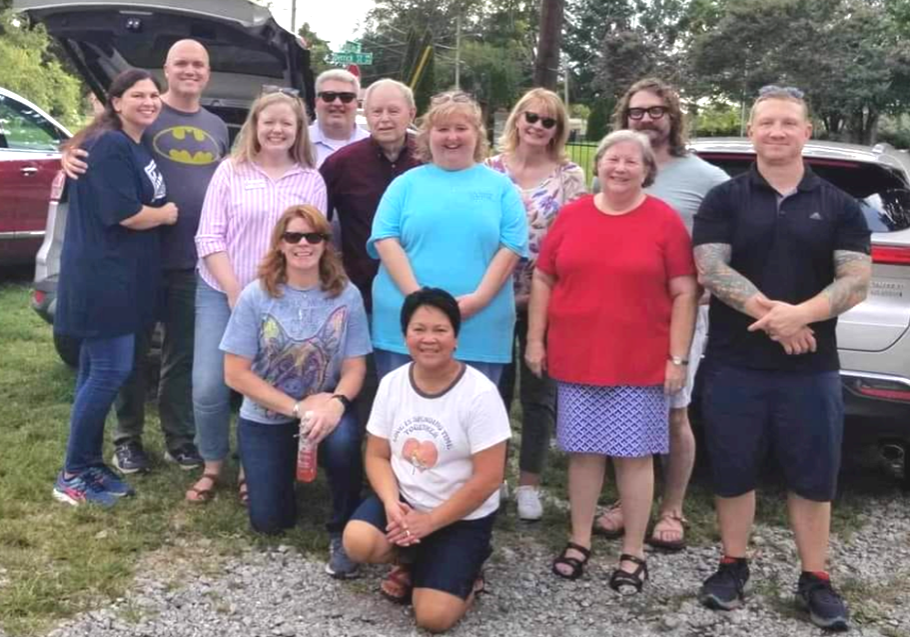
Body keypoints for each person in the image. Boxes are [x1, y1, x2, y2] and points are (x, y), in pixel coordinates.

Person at [692, 86, 871, 630]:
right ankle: (732, 564)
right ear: (751, 131)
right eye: (766, 122)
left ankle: (815, 578)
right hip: (733, 362)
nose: (776, 131)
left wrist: (803, 315)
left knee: (814, 475)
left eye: (787, 122)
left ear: (806, 131)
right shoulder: (724, 199)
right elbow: (710, 268)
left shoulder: (838, 204)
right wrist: (778, 319)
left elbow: (856, 280)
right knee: (732, 469)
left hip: (811, 367)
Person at [527, 130, 698, 591]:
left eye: (632, 161)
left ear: (647, 170)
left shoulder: (663, 221)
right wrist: (536, 340)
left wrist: (677, 358)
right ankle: (579, 539)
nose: (620, 168)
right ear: (598, 165)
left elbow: (685, 291)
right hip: (577, 355)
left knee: (633, 458)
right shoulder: (573, 215)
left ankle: (633, 551)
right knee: (583, 454)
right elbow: (543, 277)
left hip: (639, 360)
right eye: (612, 159)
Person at [61, 40, 229, 474]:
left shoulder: (217, 124)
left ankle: (179, 437)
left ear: (208, 72)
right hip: (140, 260)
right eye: (181, 64)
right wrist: (68, 154)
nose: (190, 71)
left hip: (193, 260)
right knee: (129, 356)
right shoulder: (145, 115)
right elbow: (95, 141)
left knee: (182, 354)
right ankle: (128, 439)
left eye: (199, 64)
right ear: (166, 71)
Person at [592, 78, 728, 550]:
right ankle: (624, 503)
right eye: (635, 112)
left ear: (673, 116)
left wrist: (712, 281)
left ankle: (671, 508)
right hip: (619, 317)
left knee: (674, 413)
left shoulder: (707, 178)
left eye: (655, 111)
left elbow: (735, 239)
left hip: (678, 316)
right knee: (619, 408)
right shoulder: (615, 169)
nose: (645, 119)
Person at [343, 288, 511, 633]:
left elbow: (489, 478)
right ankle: (414, 557)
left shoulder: (479, 394)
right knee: (357, 541)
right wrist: (392, 503)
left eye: (440, 330)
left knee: (432, 618)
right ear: (405, 336)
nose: (429, 339)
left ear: (455, 339)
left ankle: (465, 569)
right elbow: (376, 454)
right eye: (419, 330)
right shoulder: (392, 384)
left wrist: (431, 522)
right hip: (406, 503)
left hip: (460, 515)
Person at [188, 91, 327, 505]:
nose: (277, 129)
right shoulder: (230, 171)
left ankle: (255, 466)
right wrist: (234, 290)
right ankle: (212, 463)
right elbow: (208, 235)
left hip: (278, 299)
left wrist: (276, 295)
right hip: (220, 291)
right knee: (209, 384)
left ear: (299, 130)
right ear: (255, 126)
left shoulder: (310, 179)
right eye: (269, 121)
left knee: (264, 389)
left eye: (287, 122)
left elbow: (309, 243)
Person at [220, 204, 371, 578]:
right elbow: (235, 374)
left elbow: (355, 366)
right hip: (268, 415)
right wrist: (298, 408)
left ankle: (343, 525)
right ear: (280, 245)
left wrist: (336, 403)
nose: (303, 243)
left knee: (343, 441)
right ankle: (276, 473)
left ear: (325, 244)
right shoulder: (256, 297)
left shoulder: (346, 295)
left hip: (326, 411)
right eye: (293, 236)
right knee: (269, 522)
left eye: (313, 236)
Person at [52, 69, 177, 506]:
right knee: (108, 372)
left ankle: (86, 463)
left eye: (153, 95)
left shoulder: (130, 144)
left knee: (94, 371)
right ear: (116, 102)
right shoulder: (108, 145)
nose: (148, 101)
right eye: (137, 95)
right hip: (103, 280)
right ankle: (72, 473)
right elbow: (124, 213)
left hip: (122, 279)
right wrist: (165, 215)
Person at [368, 91, 528, 385]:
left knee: (472, 425)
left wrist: (477, 301)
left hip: (479, 328)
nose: (451, 137)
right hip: (404, 328)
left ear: (476, 135)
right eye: (442, 129)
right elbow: (385, 239)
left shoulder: (501, 188)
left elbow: (512, 248)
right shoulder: (404, 185)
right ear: (427, 136)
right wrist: (418, 300)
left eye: (461, 128)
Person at [485, 87, 587, 522]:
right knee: (492, 390)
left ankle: (529, 482)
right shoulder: (488, 170)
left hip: (545, 297)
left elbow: (578, 238)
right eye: (531, 117)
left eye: (548, 121)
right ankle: (492, 477)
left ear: (558, 130)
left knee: (539, 393)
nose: (538, 127)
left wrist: (541, 291)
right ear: (517, 119)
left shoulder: (569, 176)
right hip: (491, 296)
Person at [320, 78, 422, 426]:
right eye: (376, 111)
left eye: (394, 111)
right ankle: (367, 456)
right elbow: (317, 223)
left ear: (411, 112)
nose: (384, 118)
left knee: (417, 371)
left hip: (421, 285)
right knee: (370, 376)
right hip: (362, 287)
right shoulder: (342, 163)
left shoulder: (431, 158)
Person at [309, 69, 369, 168]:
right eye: (328, 96)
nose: (337, 103)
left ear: (356, 103)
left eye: (346, 97)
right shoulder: (295, 142)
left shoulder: (374, 146)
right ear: (316, 102)